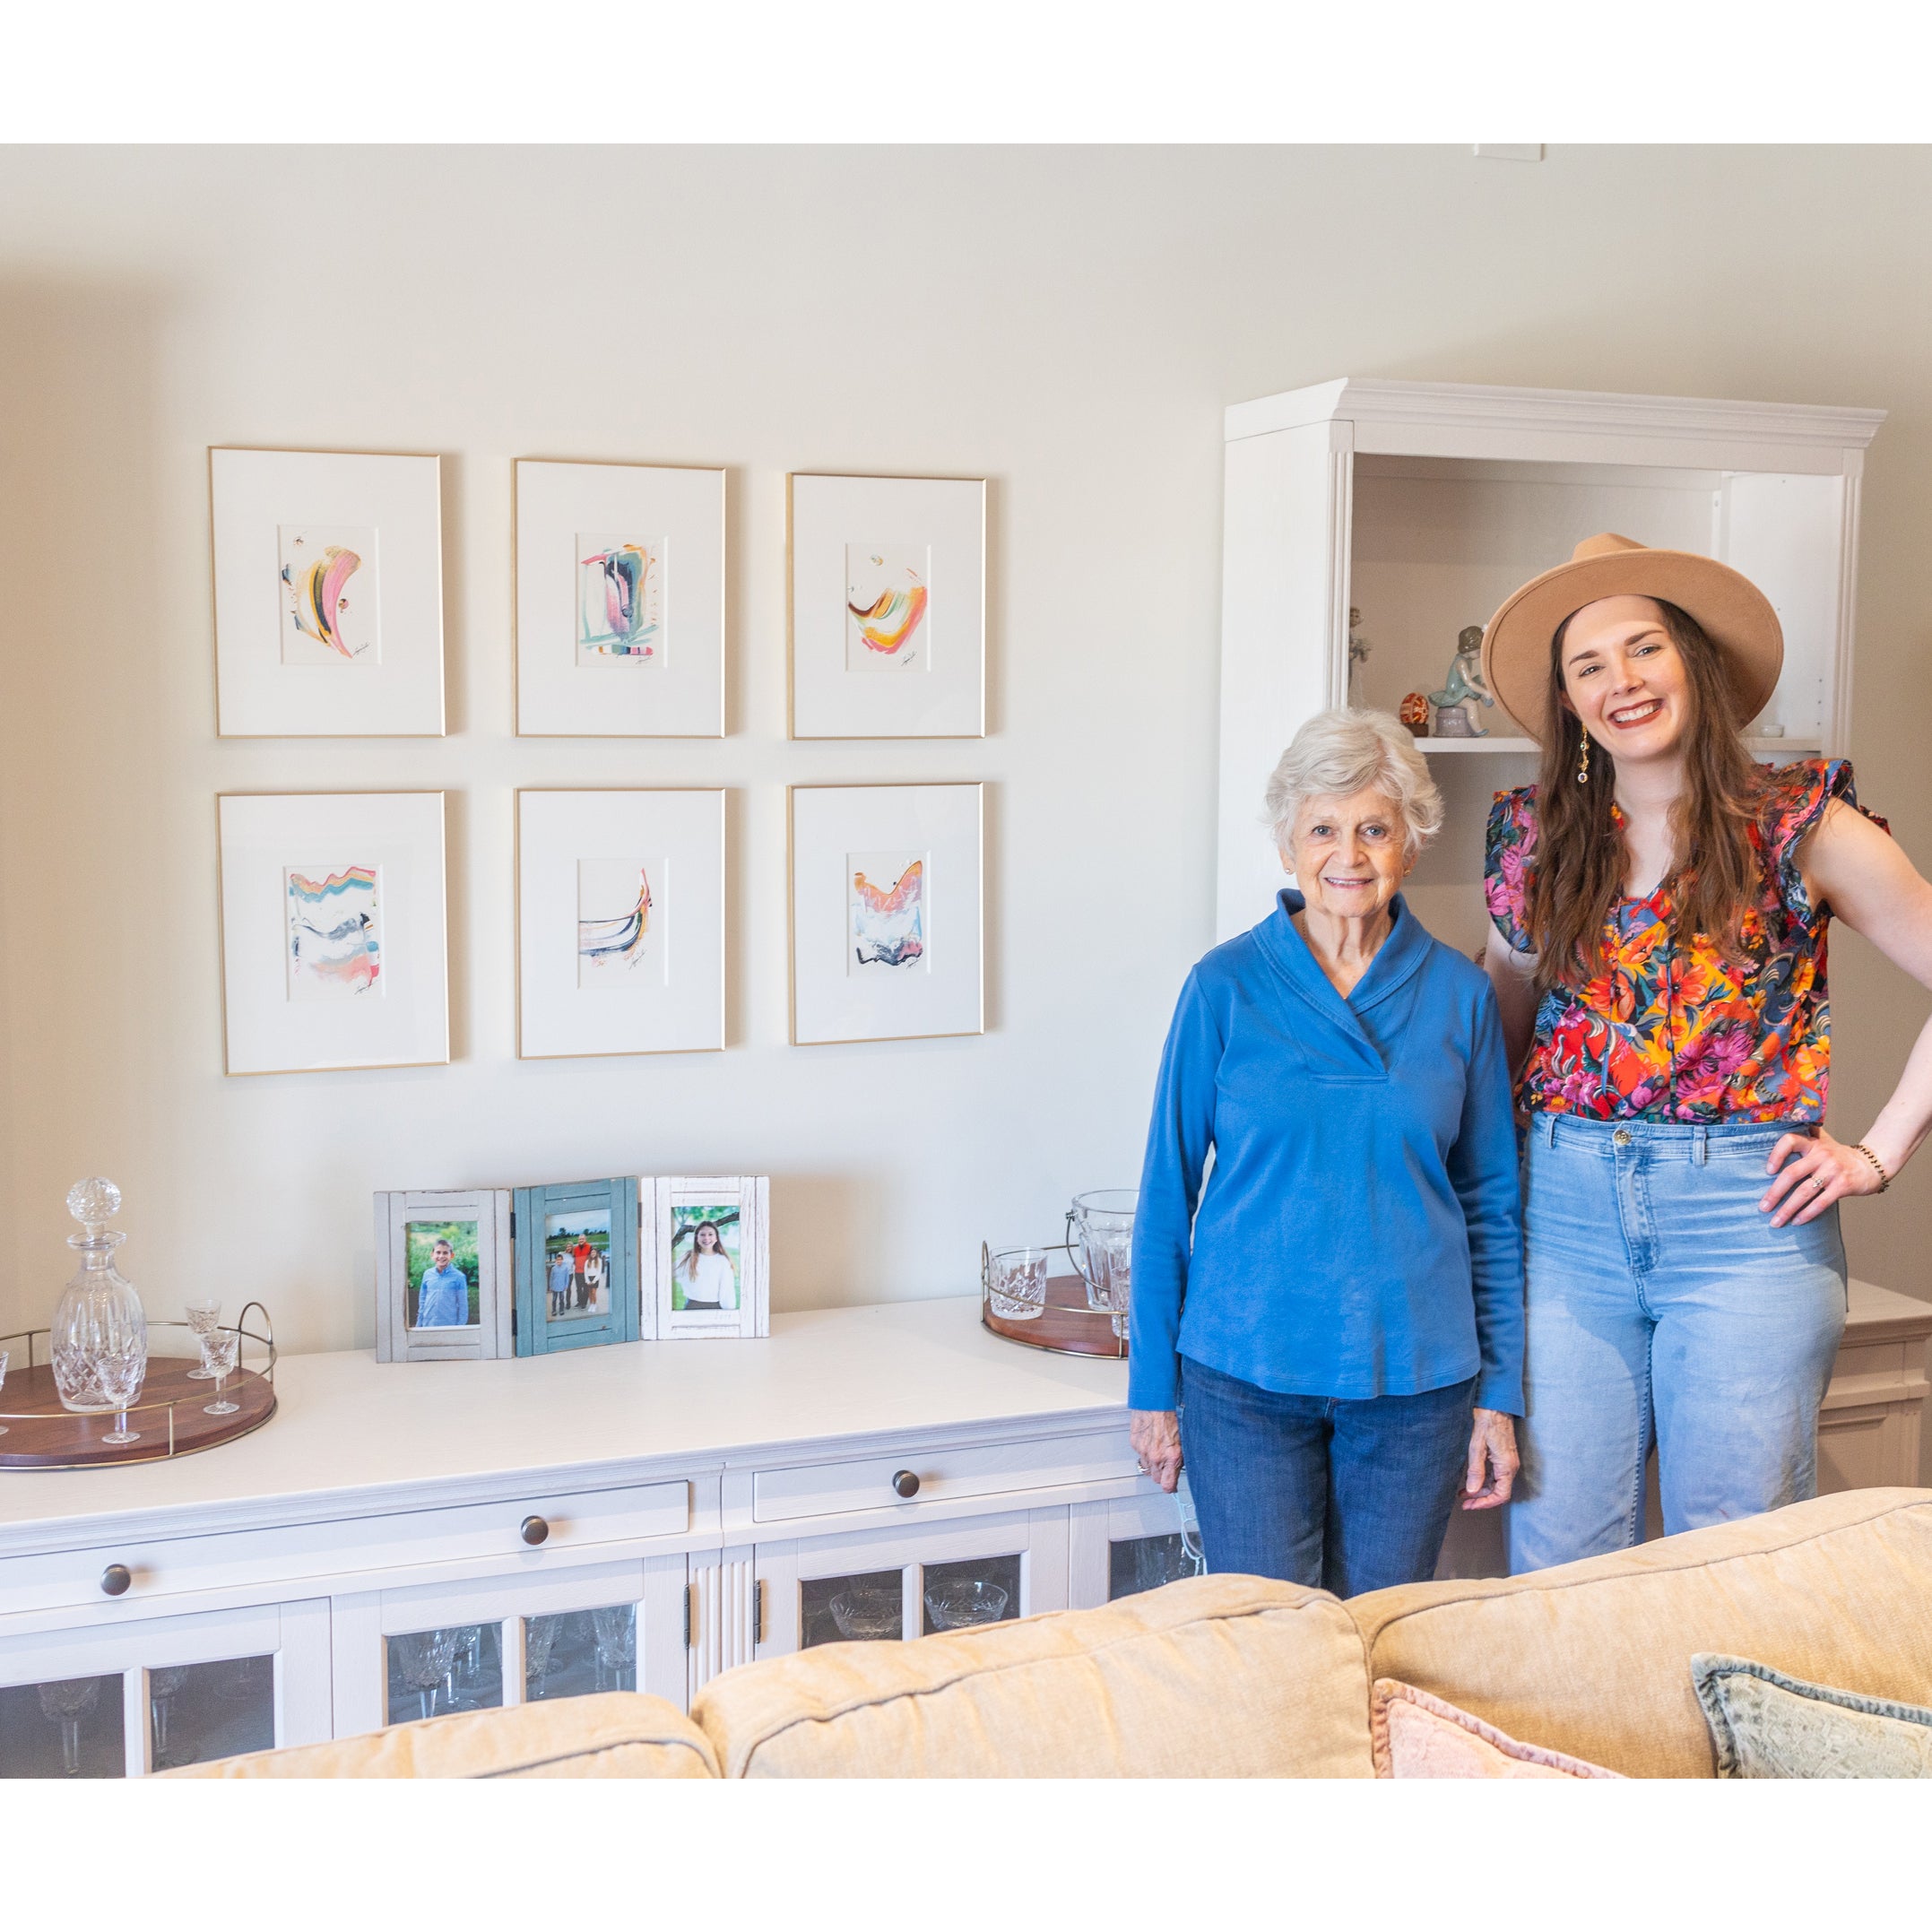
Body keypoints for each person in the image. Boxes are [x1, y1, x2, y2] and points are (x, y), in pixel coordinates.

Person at [1480, 533, 1932, 1572]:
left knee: (1733, 1562)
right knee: (1559, 1565)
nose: (1621, 681)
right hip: (1561, 1223)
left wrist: (1877, 1153)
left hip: (1746, 1227)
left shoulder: (1801, 823)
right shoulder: (1533, 836)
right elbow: (1495, 1036)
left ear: (1695, 662)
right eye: (1588, 665)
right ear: (1568, 702)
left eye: (1643, 647)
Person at [1130, 707, 1525, 1597]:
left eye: (1373, 829)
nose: (1348, 854)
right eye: (1322, 829)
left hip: (1416, 1388)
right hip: (1243, 1380)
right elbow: (1164, 1194)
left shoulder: (1460, 995)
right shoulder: (1222, 986)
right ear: (1287, 844)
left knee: (1378, 1639)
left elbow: (1491, 1207)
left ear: (1410, 843)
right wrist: (1152, 1388)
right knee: (1271, 1643)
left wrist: (1498, 1394)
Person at [680, 1222, 737, 1311]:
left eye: (710, 1234)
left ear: (716, 1238)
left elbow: (727, 1289)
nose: (706, 1238)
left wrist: (729, 1311)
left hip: (714, 1307)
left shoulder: (722, 1261)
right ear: (697, 1238)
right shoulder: (688, 1257)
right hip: (692, 1306)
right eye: (702, 1235)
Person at [414, 1237, 470, 1328]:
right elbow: (422, 1300)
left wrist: (459, 1328)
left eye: (445, 1253)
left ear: (452, 1255)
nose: (441, 1256)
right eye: (438, 1252)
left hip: (449, 1326)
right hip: (428, 1325)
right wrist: (419, 1324)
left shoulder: (459, 1277)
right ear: (432, 1254)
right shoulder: (427, 1274)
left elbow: (463, 1306)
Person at [571, 1233, 593, 1311]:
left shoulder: (590, 1247)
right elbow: (573, 1259)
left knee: (586, 1288)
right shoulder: (575, 1248)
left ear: (585, 1239)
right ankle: (579, 1302)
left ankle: (584, 1303)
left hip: (586, 1272)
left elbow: (593, 1258)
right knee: (578, 1288)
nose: (581, 1240)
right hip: (577, 1272)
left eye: (582, 1239)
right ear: (578, 1240)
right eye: (580, 1239)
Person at [547, 1247, 572, 1320]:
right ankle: (554, 1310)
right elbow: (551, 1278)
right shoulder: (553, 1268)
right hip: (555, 1287)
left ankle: (561, 1310)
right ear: (556, 1260)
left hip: (562, 1286)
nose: (559, 1261)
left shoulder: (565, 1268)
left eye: (560, 1260)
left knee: (561, 1299)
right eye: (558, 1260)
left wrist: (566, 1285)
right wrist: (550, 1286)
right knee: (554, 1299)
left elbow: (567, 1278)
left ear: (562, 1260)